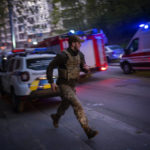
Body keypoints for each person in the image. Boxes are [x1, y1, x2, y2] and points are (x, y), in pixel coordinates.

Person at [46, 35, 98, 139]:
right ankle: (87, 130)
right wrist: (51, 82)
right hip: (63, 85)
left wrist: (86, 69)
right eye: (79, 43)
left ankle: (56, 117)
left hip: (73, 85)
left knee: (65, 104)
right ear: (73, 43)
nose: (80, 44)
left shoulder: (80, 55)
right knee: (77, 105)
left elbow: (83, 68)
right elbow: (50, 67)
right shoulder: (62, 56)